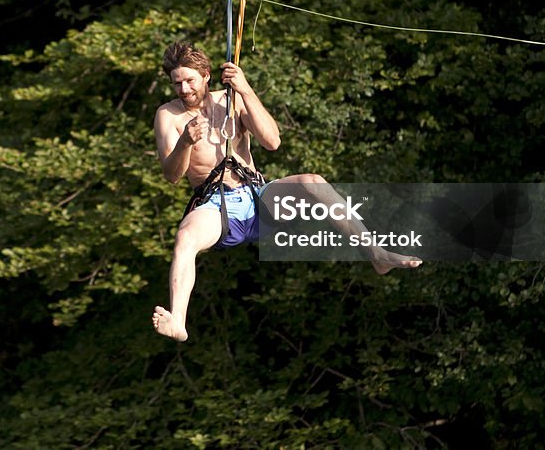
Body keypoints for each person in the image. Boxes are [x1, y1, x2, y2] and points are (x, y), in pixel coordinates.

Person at [151, 41, 421, 342]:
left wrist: (245, 89)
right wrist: (185, 143)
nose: (185, 90)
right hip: (217, 207)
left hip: (256, 195)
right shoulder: (168, 116)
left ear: (206, 76)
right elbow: (172, 176)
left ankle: (376, 254)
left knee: (312, 182)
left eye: (190, 81)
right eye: (177, 84)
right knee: (185, 237)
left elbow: (272, 142)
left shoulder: (231, 100)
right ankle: (178, 321)